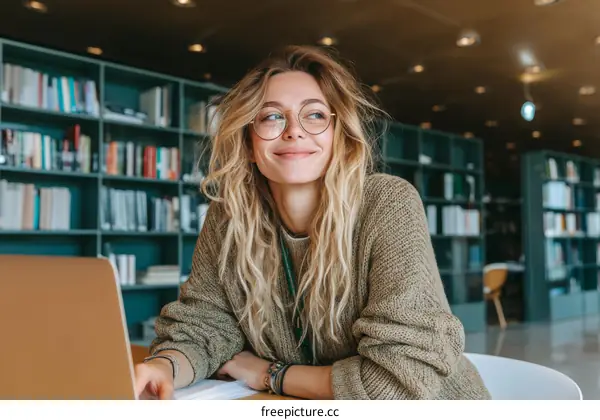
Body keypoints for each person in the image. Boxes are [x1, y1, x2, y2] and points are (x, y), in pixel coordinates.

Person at [134, 45, 491, 400]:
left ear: (339, 136)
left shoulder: (387, 203)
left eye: (315, 115)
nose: (294, 130)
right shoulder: (229, 216)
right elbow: (203, 325)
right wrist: (163, 368)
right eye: (272, 117)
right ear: (247, 141)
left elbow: (397, 382)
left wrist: (269, 374)